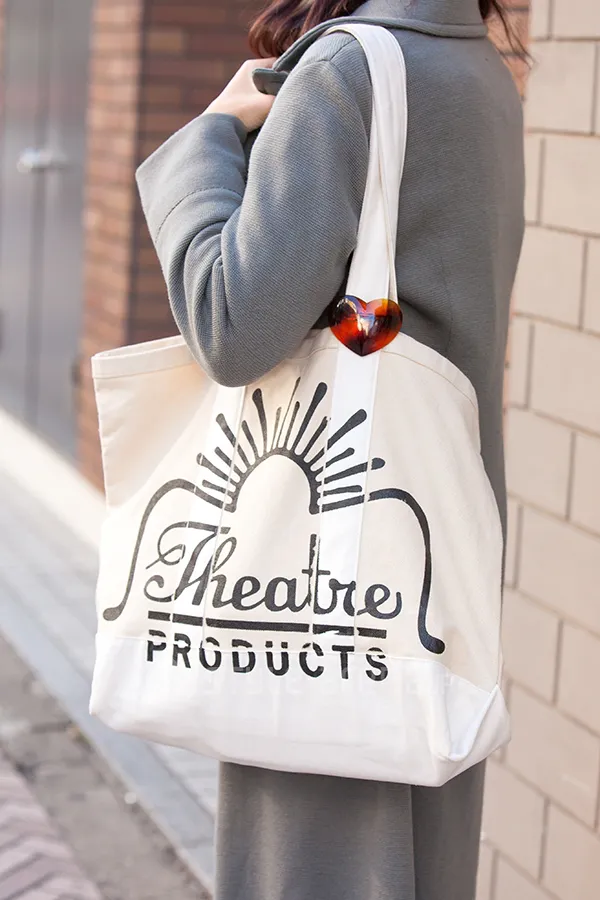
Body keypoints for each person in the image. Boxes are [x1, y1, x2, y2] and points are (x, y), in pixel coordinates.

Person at [135, 0, 525, 897]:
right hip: (430, 552)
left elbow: (231, 325)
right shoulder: (483, 73)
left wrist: (209, 139)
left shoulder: (346, 73)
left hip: (328, 577)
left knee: (321, 859)